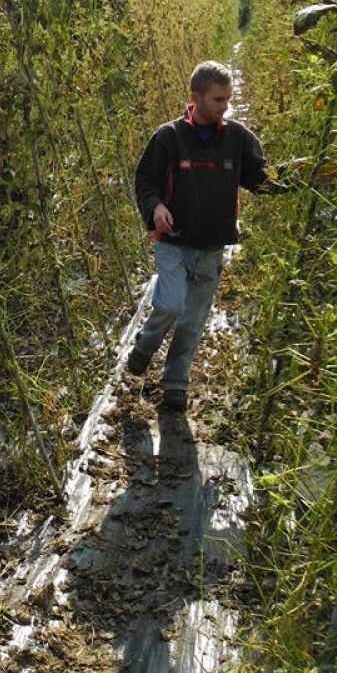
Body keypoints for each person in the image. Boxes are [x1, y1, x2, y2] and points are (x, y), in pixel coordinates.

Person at [128, 60, 268, 412]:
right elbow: (145, 182)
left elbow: (259, 179)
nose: (225, 107)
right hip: (173, 240)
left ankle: (175, 383)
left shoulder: (237, 137)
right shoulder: (169, 137)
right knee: (171, 303)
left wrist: (300, 177)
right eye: (218, 99)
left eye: (228, 100)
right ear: (196, 97)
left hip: (212, 244)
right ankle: (145, 345)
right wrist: (156, 208)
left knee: (192, 319)